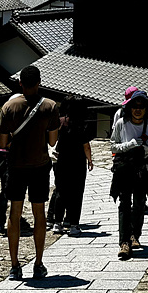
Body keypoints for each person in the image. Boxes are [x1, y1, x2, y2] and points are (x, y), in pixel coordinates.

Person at [0, 65, 60, 282]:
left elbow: (3, 143)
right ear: (39, 83)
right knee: (39, 213)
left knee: (14, 213)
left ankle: (15, 266)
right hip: (39, 166)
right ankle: (38, 263)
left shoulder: (9, 107)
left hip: (16, 166)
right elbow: (52, 141)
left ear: (20, 83)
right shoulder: (50, 106)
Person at [109, 86, 148, 260]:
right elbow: (113, 146)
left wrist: (147, 149)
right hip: (124, 167)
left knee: (139, 203)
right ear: (129, 108)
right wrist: (129, 145)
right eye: (134, 106)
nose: (138, 110)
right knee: (124, 203)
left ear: (146, 109)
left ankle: (134, 235)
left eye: (141, 107)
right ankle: (124, 242)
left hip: (142, 168)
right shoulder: (121, 124)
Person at [46, 96, 94, 236]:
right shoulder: (81, 124)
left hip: (62, 161)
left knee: (61, 191)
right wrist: (90, 160)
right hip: (77, 162)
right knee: (76, 193)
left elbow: (53, 140)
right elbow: (86, 146)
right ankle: (73, 225)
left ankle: (57, 223)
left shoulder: (60, 122)